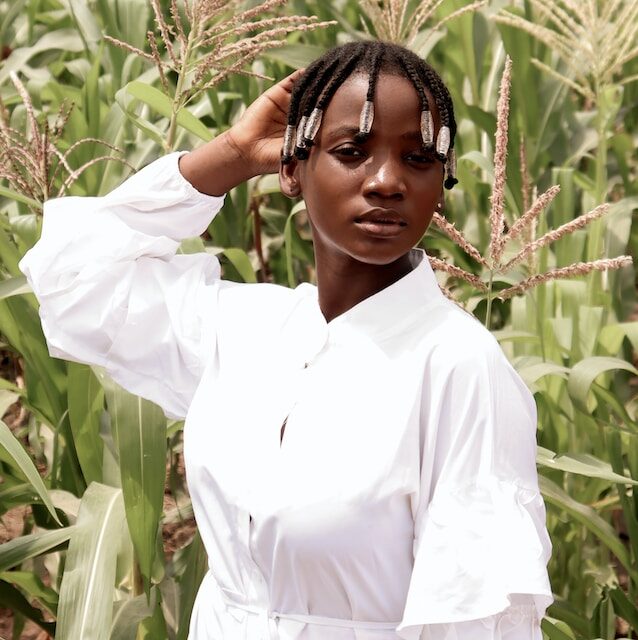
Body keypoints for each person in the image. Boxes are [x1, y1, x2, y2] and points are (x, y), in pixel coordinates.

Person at [20, 41, 552, 639]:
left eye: (419, 159)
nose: (387, 181)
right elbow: (72, 284)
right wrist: (230, 155)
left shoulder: (458, 367)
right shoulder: (242, 330)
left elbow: (479, 625)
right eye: (352, 151)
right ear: (293, 170)